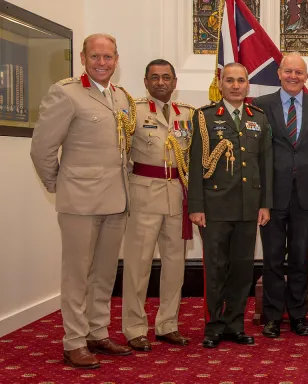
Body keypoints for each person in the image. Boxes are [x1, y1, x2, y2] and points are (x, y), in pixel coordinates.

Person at [30, 33, 134, 369]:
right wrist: (60, 185)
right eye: (95, 57)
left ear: (116, 60)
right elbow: (42, 148)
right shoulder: (66, 92)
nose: (102, 63)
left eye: (108, 57)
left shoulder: (120, 97)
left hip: (116, 200)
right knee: (76, 275)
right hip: (79, 202)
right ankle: (73, 341)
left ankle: (96, 332)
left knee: (103, 274)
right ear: (83, 58)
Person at [187, 62, 273, 349]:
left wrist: (265, 204)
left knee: (242, 269)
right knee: (216, 268)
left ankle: (235, 324)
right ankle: (213, 326)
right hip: (215, 207)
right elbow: (196, 165)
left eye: (241, 80)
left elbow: (265, 165)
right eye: (230, 80)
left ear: (248, 85)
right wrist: (196, 206)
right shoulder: (205, 117)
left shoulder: (258, 118)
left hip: (249, 208)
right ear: (220, 84)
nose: (236, 86)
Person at [253, 52, 308, 338]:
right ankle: (272, 317)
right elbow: (257, 153)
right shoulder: (261, 106)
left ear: (306, 77)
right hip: (272, 198)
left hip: (306, 196)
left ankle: (298, 315)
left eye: (299, 73)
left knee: (299, 259)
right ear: (279, 73)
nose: (293, 77)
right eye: (289, 71)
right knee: (272, 259)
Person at [121, 59, 195, 351]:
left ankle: (167, 325)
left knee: (175, 266)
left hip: (177, 196)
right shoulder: (133, 112)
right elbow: (122, 155)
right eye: (155, 77)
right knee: (138, 266)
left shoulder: (187, 114)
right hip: (144, 195)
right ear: (146, 81)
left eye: (166, 77)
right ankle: (135, 328)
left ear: (175, 82)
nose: (161, 82)